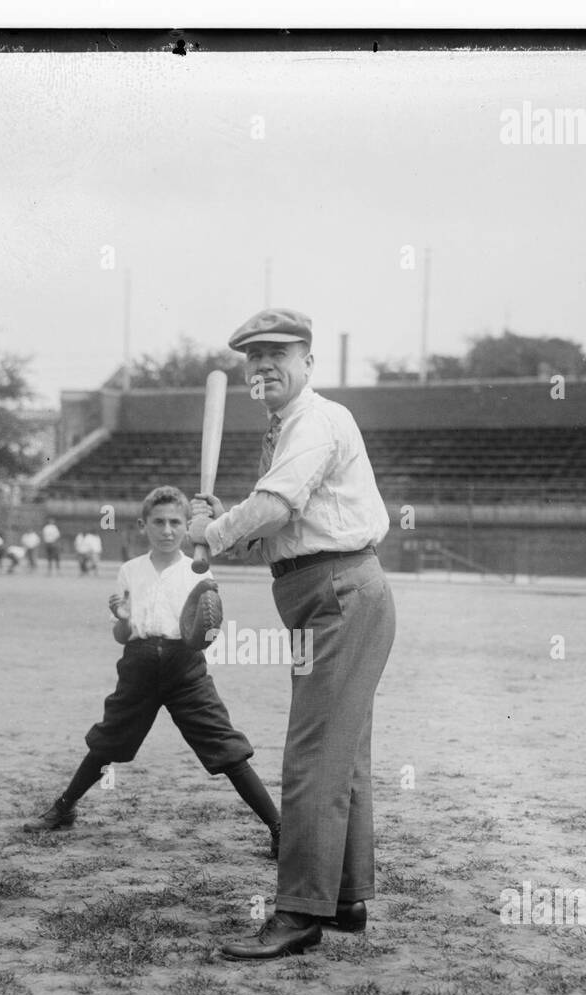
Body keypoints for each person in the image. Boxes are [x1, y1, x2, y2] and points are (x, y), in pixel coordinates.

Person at [189, 308, 395, 961]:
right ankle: (341, 897)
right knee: (341, 752)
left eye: (278, 352)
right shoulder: (287, 428)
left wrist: (210, 534)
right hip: (322, 595)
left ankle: (297, 911)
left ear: (308, 360)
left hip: (339, 594)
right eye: (252, 357)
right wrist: (222, 521)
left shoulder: (314, 420)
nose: (262, 365)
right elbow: (277, 523)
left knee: (312, 757)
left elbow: (276, 507)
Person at [22, 485, 281, 853]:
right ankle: (63, 809)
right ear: (143, 525)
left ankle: (277, 827)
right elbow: (121, 635)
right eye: (158, 522)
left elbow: (205, 636)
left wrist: (209, 621)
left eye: (176, 522)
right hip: (139, 663)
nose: (167, 530)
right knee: (107, 741)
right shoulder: (130, 571)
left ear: (187, 526)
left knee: (225, 747)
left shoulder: (197, 571)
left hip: (185, 668)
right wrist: (123, 618)